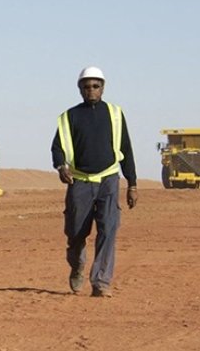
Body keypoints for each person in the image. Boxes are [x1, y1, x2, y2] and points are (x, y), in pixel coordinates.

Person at [51, 66, 138, 298]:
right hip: (80, 182)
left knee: (109, 229)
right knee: (76, 233)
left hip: (109, 180)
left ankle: (101, 281)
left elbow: (126, 149)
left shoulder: (115, 114)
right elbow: (57, 148)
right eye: (86, 87)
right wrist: (61, 167)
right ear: (80, 89)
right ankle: (77, 264)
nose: (91, 90)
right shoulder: (69, 117)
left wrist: (132, 183)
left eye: (95, 86)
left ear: (103, 88)